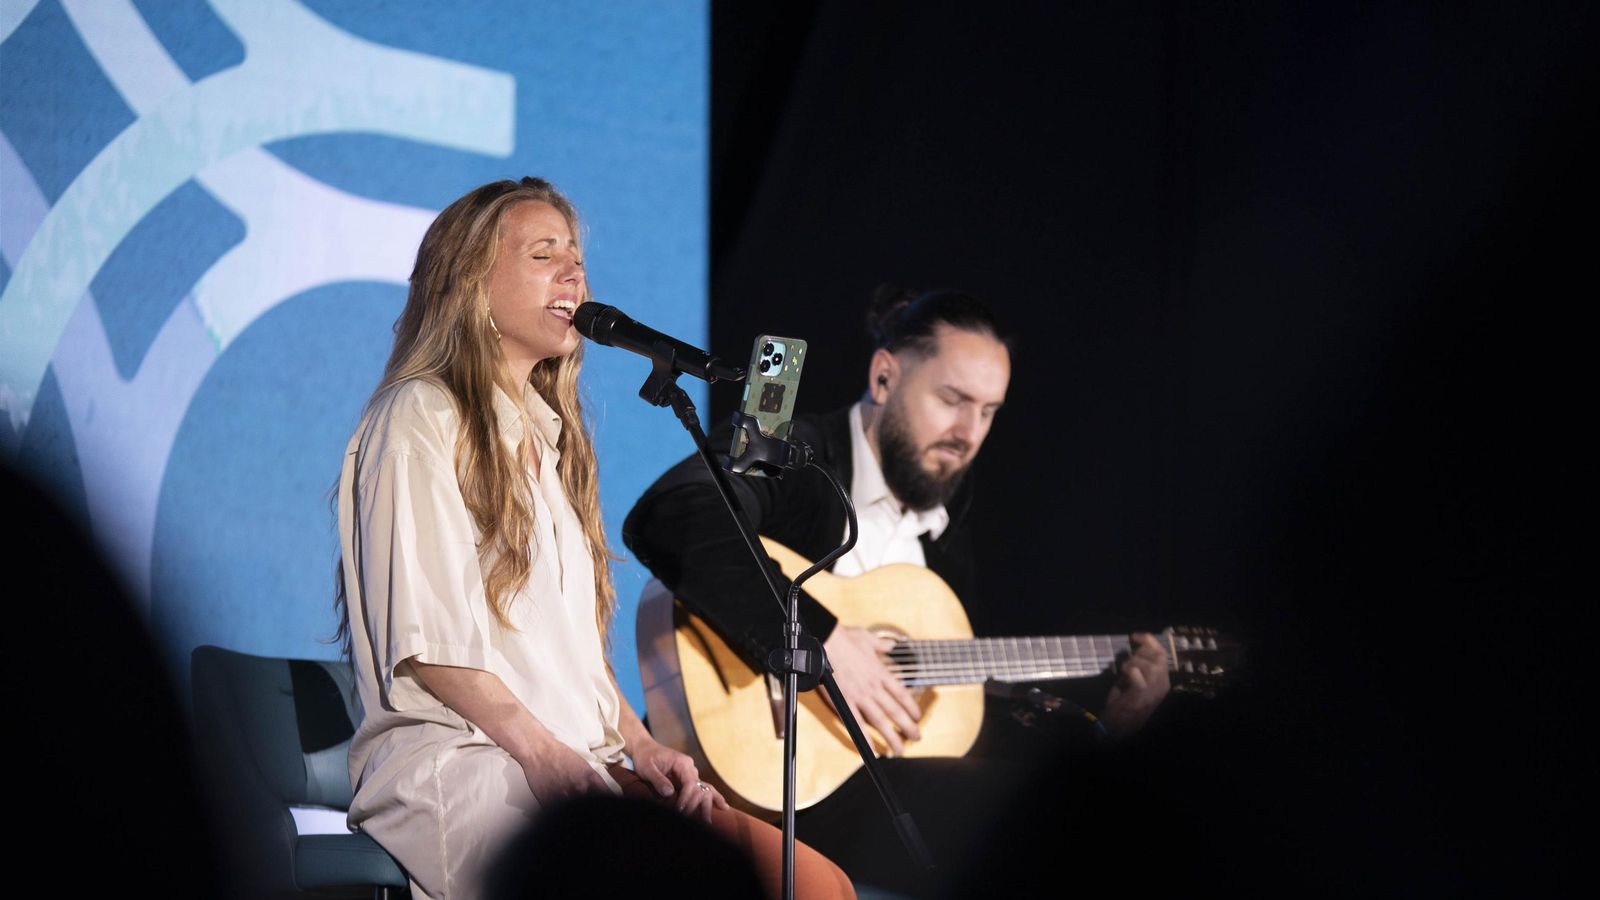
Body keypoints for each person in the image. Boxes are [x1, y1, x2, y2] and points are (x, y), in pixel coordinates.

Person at [335, 177, 854, 900]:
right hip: (472, 761)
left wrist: (642, 748)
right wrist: (548, 758)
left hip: (580, 764)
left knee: (812, 885)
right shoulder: (418, 417)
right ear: (469, 282)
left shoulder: (549, 442)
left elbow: (573, 654)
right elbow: (433, 648)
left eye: (576, 256)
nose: (575, 273)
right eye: (544, 254)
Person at [622, 287, 1172, 892]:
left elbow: (950, 718)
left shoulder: (948, 537)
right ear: (884, 377)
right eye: (952, 399)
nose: (968, 432)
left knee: (1059, 824)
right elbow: (675, 514)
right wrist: (823, 642)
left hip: (866, 788)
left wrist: (1107, 732)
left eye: (988, 411)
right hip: (754, 772)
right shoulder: (786, 443)